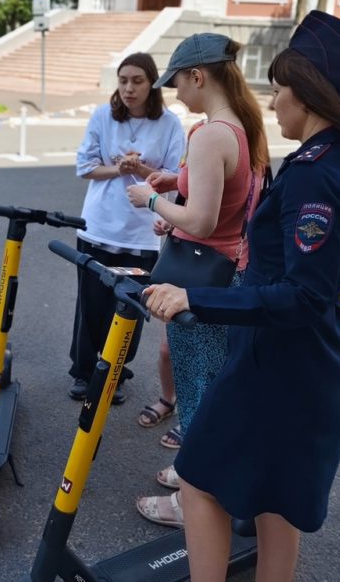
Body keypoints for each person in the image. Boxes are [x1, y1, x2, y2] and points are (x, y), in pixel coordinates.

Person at [143, 11, 340, 582]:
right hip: (309, 359)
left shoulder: (313, 176)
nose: (273, 104)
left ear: (307, 95)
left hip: (276, 360)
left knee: (199, 480)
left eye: (279, 91)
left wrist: (194, 299)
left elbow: (302, 294)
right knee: (277, 500)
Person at [127, 34, 269, 528]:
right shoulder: (240, 127)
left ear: (198, 76)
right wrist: (173, 188)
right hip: (228, 276)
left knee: (198, 392)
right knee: (209, 388)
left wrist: (148, 199)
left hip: (202, 283)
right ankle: (198, 477)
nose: (175, 94)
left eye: (177, 83)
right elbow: (222, 208)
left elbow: (204, 221)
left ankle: (195, 501)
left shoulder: (210, 135)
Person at [68, 52, 184, 406]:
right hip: (99, 226)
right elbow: (84, 167)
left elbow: (178, 181)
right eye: (123, 80)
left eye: (137, 81)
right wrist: (119, 170)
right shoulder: (104, 116)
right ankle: (84, 372)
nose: (129, 88)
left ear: (152, 84)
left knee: (129, 306)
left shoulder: (169, 124)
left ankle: (115, 372)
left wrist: (141, 166)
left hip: (141, 233)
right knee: (91, 304)